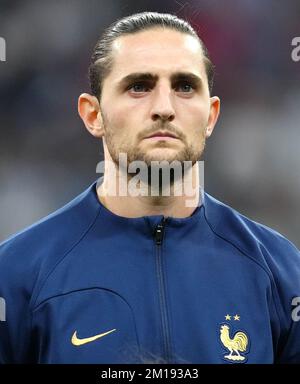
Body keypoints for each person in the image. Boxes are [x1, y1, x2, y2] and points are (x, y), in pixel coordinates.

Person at [0, 11, 299, 364]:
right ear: (93, 115)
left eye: (184, 86)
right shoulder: (16, 275)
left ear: (212, 116)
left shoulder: (282, 273)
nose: (164, 108)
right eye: (138, 86)